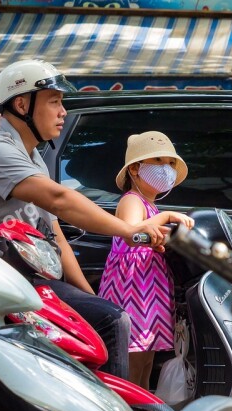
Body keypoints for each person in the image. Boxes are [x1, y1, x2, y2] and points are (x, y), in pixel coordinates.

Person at [0, 59, 168, 381]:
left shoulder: (31, 157)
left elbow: (55, 236)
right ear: (22, 104)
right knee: (113, 321)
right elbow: (61, 200)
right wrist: (129, 230)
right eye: (55, 102)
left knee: (108, 317)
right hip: (7, 282)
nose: (63, 112)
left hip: (31, 280)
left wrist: (91, 298)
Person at [98, 132, 194, 389]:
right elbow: (132, 231)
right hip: (135, 292)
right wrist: (166, 217)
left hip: (150, 292)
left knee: (146, 362)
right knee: (134, 360)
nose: (167, 169)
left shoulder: (152, 207)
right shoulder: (132, 200)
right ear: (135, 170)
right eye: (158, 160)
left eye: (170, 163)